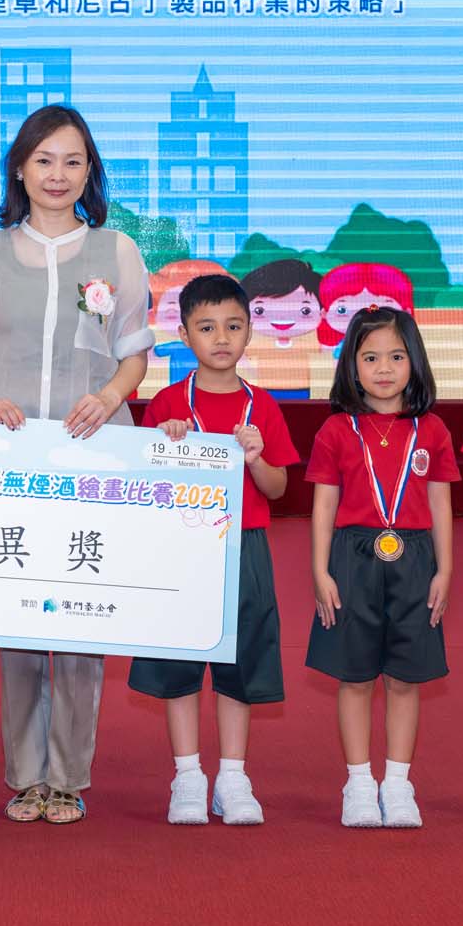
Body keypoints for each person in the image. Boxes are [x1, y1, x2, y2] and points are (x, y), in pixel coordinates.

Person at [0, 104, 153, 826]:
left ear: (90, 171)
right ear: (19, 169)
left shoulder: (117, 252)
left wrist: (109, 397)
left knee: (82, 621)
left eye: (72, 161)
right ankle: (25, 775)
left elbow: (133, 351)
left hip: (93, 457)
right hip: (11, 462)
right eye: (43, 160)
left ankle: (68, 776)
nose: (57, 175)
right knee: (18, 620)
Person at [129, 273, 297, 826]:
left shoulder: (262, 406)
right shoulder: (167, 404)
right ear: (183, 335)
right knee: (179, 664)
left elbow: (278, 488)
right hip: (182, 548)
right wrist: (166, 447)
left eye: (233, 326)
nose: (221, 338)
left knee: (239, 664)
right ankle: (187, 775)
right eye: (206, 327)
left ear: (250, 331)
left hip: (244, 546)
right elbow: (145, 486)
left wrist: (255, 458)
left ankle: (232, 777)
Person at [305, 305, 459, 828]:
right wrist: (320, 570)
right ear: (351, 364)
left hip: (415, 559)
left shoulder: (432, 430)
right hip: (352, 558)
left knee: (405, 678)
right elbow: (324, 505)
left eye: (396, 356)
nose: (384, 368)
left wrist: (444, 570)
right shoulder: (336, 430)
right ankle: (358, 782)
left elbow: (441, 504)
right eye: (370, 358)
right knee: (354, 677)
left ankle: (397, 783)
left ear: (415, 360)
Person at [240, 259, 325, 399]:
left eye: (305, 311)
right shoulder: (244, 341)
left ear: (322, 312)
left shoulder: (321, 341)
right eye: (260, 311)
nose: (282, 317)